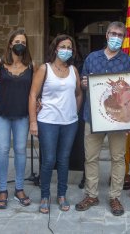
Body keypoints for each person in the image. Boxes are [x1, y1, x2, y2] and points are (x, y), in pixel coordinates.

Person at [75, 21, 130, 216]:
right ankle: (91, 194)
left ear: (124, 38)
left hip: (117, 119)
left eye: (120, 35)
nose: (116, 38)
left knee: (118, 158)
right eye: (113, 33)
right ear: (106, 35)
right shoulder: (92, 58)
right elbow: (84, 84)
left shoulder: (129, 62)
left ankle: (115, 197)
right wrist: (85, 83)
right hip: (93, 116)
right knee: (90, 157)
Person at [29, 34, 83, 214]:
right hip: (48, 121)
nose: (66, 50)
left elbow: (78, 93)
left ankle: (61, 194)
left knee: (63, 160)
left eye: (69, 47)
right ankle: (45, 195)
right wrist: (33, 121)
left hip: (69, 123)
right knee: (49, 159)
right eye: (63, 46)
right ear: (55, 48)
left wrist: (74, 111)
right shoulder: (45, 69)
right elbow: (32, 95)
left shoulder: (73, 70)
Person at [0, 30, 33, 209]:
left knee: (20, 150)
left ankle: (19, 188)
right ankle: (2, 189)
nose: (20, 45)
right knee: (2, 149)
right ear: (10, 44)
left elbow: (34, 91)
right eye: (17, 41)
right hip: (1, 112)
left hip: (22, 114)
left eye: (23, 42)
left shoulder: (32, 65)